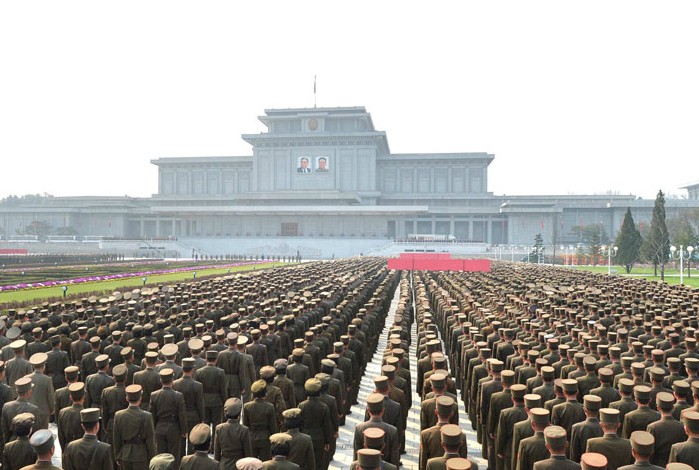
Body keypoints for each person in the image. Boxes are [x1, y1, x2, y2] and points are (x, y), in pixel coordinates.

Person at [113, 384, 156, 470]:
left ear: (127, 399)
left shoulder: (118, 415)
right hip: (141, 455)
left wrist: (117, 455)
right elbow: (150, 440)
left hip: (125, 454)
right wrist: (152, 457)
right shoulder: (147, 416)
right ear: (140, 399)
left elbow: (116, 439)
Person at [150, 369, 187, 468]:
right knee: (174, 456)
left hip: (159, 428)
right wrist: (184, 430)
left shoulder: (154, 395)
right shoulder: (178, 396)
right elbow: (181, 415)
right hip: (173, 428)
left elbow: (152, 415)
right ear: (172, 380)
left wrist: (153, 429)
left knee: (160, 456)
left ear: (161, 381)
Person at [215, 397, 253, 467]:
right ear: (239, 415)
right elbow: (248, 454)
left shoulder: (219, 428)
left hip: (224, 465)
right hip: (239, 465)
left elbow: (217, 453)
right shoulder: (244, 430)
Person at [1, 377, 39, 444]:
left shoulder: (6, 406)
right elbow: (36, 432)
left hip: (11, 442)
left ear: (17, 391)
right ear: (28, 392)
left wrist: (7, 445)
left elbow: (5, 431)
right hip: (29, 444)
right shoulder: (34, 409)